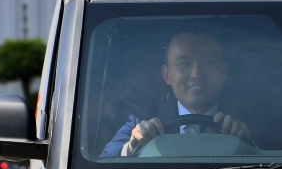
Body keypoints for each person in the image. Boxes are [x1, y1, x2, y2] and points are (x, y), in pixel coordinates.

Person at [101, 32, 251, 158]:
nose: (196, 74)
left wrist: (248, 145)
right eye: (184, 64)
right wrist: (133, 146)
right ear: (167, 75)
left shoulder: (250, 121)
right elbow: (105, 161)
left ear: (224, 70)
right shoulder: (142, 119)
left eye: (208, 63)